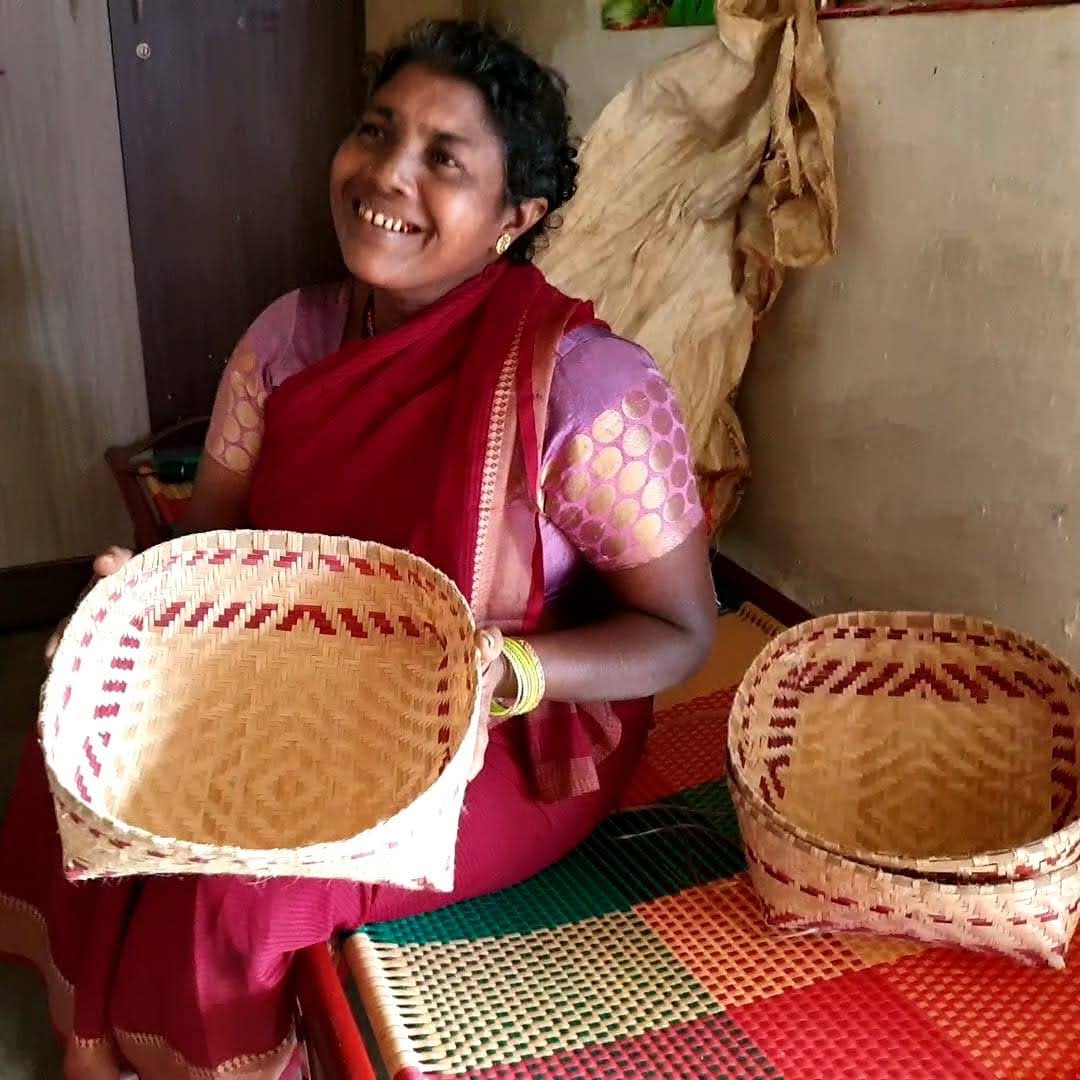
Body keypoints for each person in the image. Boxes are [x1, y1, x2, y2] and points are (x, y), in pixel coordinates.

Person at [0, 20, 714, 1079]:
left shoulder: (586, 388)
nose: (386, 173)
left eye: (443, 158)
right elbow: (215, 544)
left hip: (497, 734)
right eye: (377, 131)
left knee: (242, 890)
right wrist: (141, 608)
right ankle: (91, 1050)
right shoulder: (289, 337)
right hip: (290, 681)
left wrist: (508, 670)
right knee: (90, 782)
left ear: (518, 218)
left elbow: (682, 632)